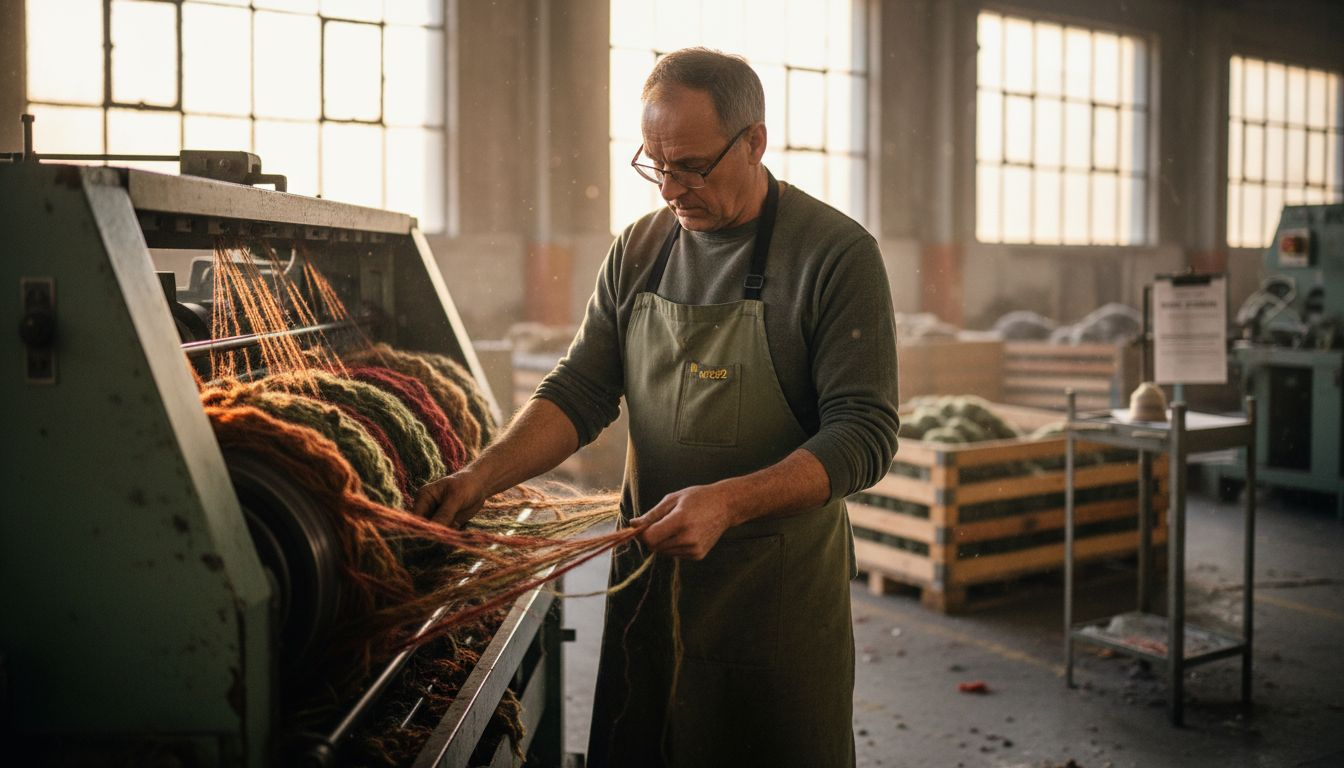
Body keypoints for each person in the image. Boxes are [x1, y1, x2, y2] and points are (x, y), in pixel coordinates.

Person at [415, 47, 900, 767]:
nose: (672, 188)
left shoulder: (834, 255)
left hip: (775, 599)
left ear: (756, 142)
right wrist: (477, 481)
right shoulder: (641, 249)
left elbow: (865, 432)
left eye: (693, 166)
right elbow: (580, 389)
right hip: (650, 579)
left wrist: (731, 502)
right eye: (655, 164)